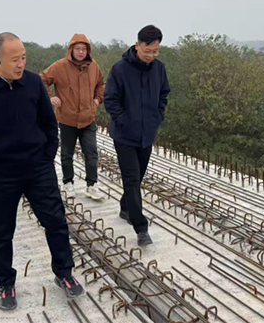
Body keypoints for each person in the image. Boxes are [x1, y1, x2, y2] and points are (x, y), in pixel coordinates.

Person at [0, 32, 84, 311]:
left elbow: (49, 124)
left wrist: (46, 156)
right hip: (1, 173)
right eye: (14, 59)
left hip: (38, 169)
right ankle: (5, 284)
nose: (20, 64)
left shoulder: (33, 84)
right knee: (2, 231)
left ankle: (64, 273)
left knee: (56, 221)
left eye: (23, 58)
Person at [104, 25, 170, 247]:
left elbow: (164, 94)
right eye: (147, 51)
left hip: (147, 134)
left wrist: (157, 116)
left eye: (155, 51)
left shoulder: (159, 69)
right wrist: (124, 121)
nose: (151, 55)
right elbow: (110, 99)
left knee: (138, 176)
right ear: (137, 46)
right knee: (131, 179)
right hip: (124, 136)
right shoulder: (120, 69)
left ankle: (126, 207)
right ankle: (141, 228)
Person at [40, 34, 105, 200]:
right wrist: (49, 97)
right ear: (71, 50)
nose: (81, 52)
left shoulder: (93, 66)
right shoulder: (60, 66)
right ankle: (68, 183)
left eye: (84, 49)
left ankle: (92, 185)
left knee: (91, 153)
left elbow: (101, 84)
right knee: (67, 154)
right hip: (67, 119)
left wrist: (97, 100)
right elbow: (42, 80)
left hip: (88, 118)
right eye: (77, 49)